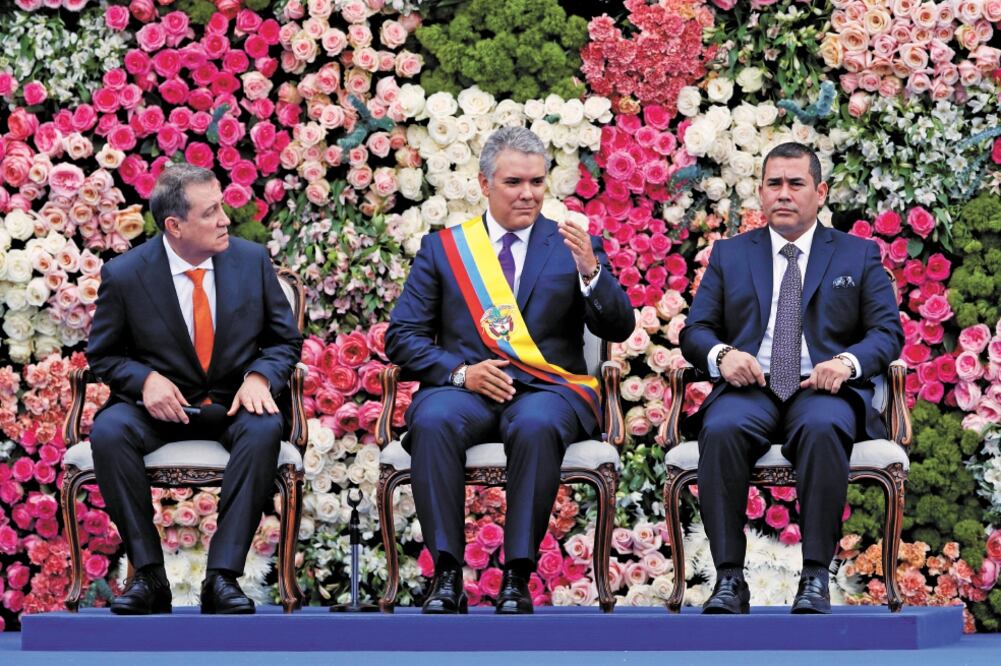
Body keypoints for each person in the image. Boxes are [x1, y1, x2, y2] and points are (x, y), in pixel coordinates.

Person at [386, 127, 634, 614]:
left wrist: (591, 274)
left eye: (537, 182)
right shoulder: (445, 249)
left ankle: (518, 575)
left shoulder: (573, 245)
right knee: (433, 419)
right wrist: (460, 373)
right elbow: (402, 337)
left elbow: (619, 327)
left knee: (536, 424)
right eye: (514, 182)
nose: (528, 194)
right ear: (484, 184)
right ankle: (447, 575)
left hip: (548, 391)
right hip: (468, 389)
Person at [679, 142, 903, 614]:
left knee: (822, 428)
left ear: (819, 192)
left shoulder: (857, 255)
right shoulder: (730, 254)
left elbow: (887, 333)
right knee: (720, 429)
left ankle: (816, 577)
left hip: (821, 389)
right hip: (751, 387)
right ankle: (728, 580)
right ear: (760, 194)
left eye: (795, 184)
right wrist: (722, 356)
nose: (784, 194)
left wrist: (845, 362)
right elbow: (695, 330)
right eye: (773, 184)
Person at [86, 163, 302, 615]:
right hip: (155, 410)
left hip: (232, 402)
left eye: (221, 206)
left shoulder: (251, 260)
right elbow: (104, 356)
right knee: (108, 431)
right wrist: (145, 380)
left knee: (264, 428)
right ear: (174, 226)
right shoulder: (125, 275)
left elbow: (284, 340)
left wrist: (260, 377)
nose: (225, 219)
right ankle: (149, 577)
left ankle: (222, 578)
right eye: (211, 212)